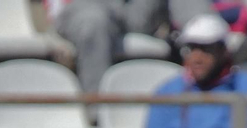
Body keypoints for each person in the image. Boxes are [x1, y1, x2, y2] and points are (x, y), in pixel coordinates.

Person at [50, 0, 211, 93]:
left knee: (205, 24)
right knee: (94, 24)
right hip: (90, 6)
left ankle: (220, 82)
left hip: (137, 8)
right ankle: (98, 111)